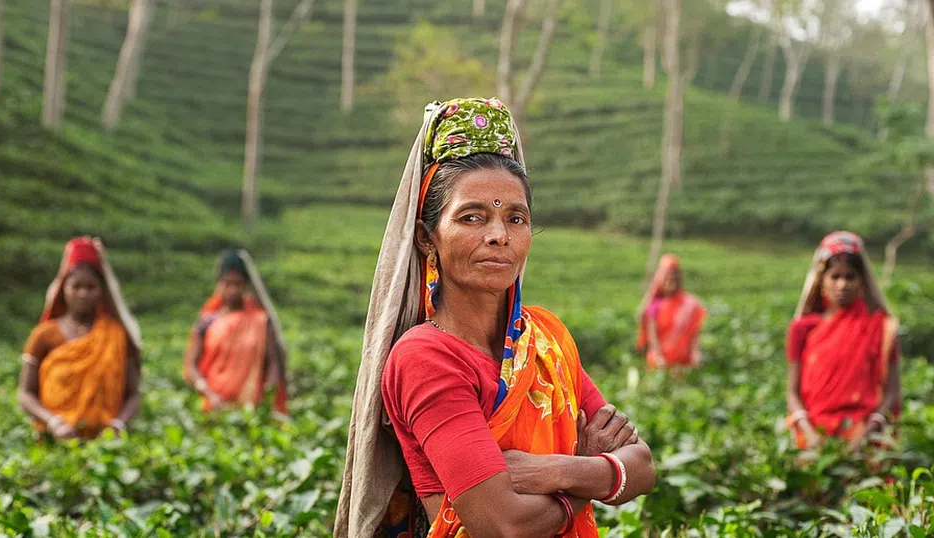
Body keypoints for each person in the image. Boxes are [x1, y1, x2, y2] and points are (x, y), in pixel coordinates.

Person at [335, 98, 656, 538]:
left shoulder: (546, 337)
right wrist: (591, 474)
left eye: (516, 218)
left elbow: (644, 466)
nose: (498, 236)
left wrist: (553, 471)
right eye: (472, 217)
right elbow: (502, 525)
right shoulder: (425, 358)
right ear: (428, 237)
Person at [17, 237, 142, 440]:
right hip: (53, 439)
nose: (83, 293)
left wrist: (118, 425)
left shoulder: (117, 335)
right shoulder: (44, 335)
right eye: (76, 286)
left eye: (91, 287)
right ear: (63, 288)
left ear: (101, 290)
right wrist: (53, 422)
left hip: (106, 444)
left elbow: (134, 394)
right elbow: (25, 393)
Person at [785, 231, 901, 451]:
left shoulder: (881, 328)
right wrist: (810, 434)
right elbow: (792, 392)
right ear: (822, 281)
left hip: (864, 436)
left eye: (850, 277)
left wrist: (865, 435)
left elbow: (892, 393)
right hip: (814, 436)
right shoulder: (803, 329)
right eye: (835, 276)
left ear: (862, 282)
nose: (842, 285)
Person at [183, 249, 288, 415]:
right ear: (219, 284)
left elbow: (273, 362)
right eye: (227, 284)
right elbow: (190, 366)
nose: (232, 290)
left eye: (237, 284)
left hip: (251, 409)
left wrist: (268, 394)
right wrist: (207, 392)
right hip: (212, 406)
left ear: (245, 285)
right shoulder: (207, 322)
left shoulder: (260, 320)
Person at [636, 254, 707, 370]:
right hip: (659, 364)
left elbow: (694, 335)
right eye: (667, 278)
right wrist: (659, 358)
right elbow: (652, 337)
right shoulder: (655, 305)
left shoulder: (689, 304)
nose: (670, 282)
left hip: (684, 364)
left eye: (674, 278)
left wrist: (696, 354)